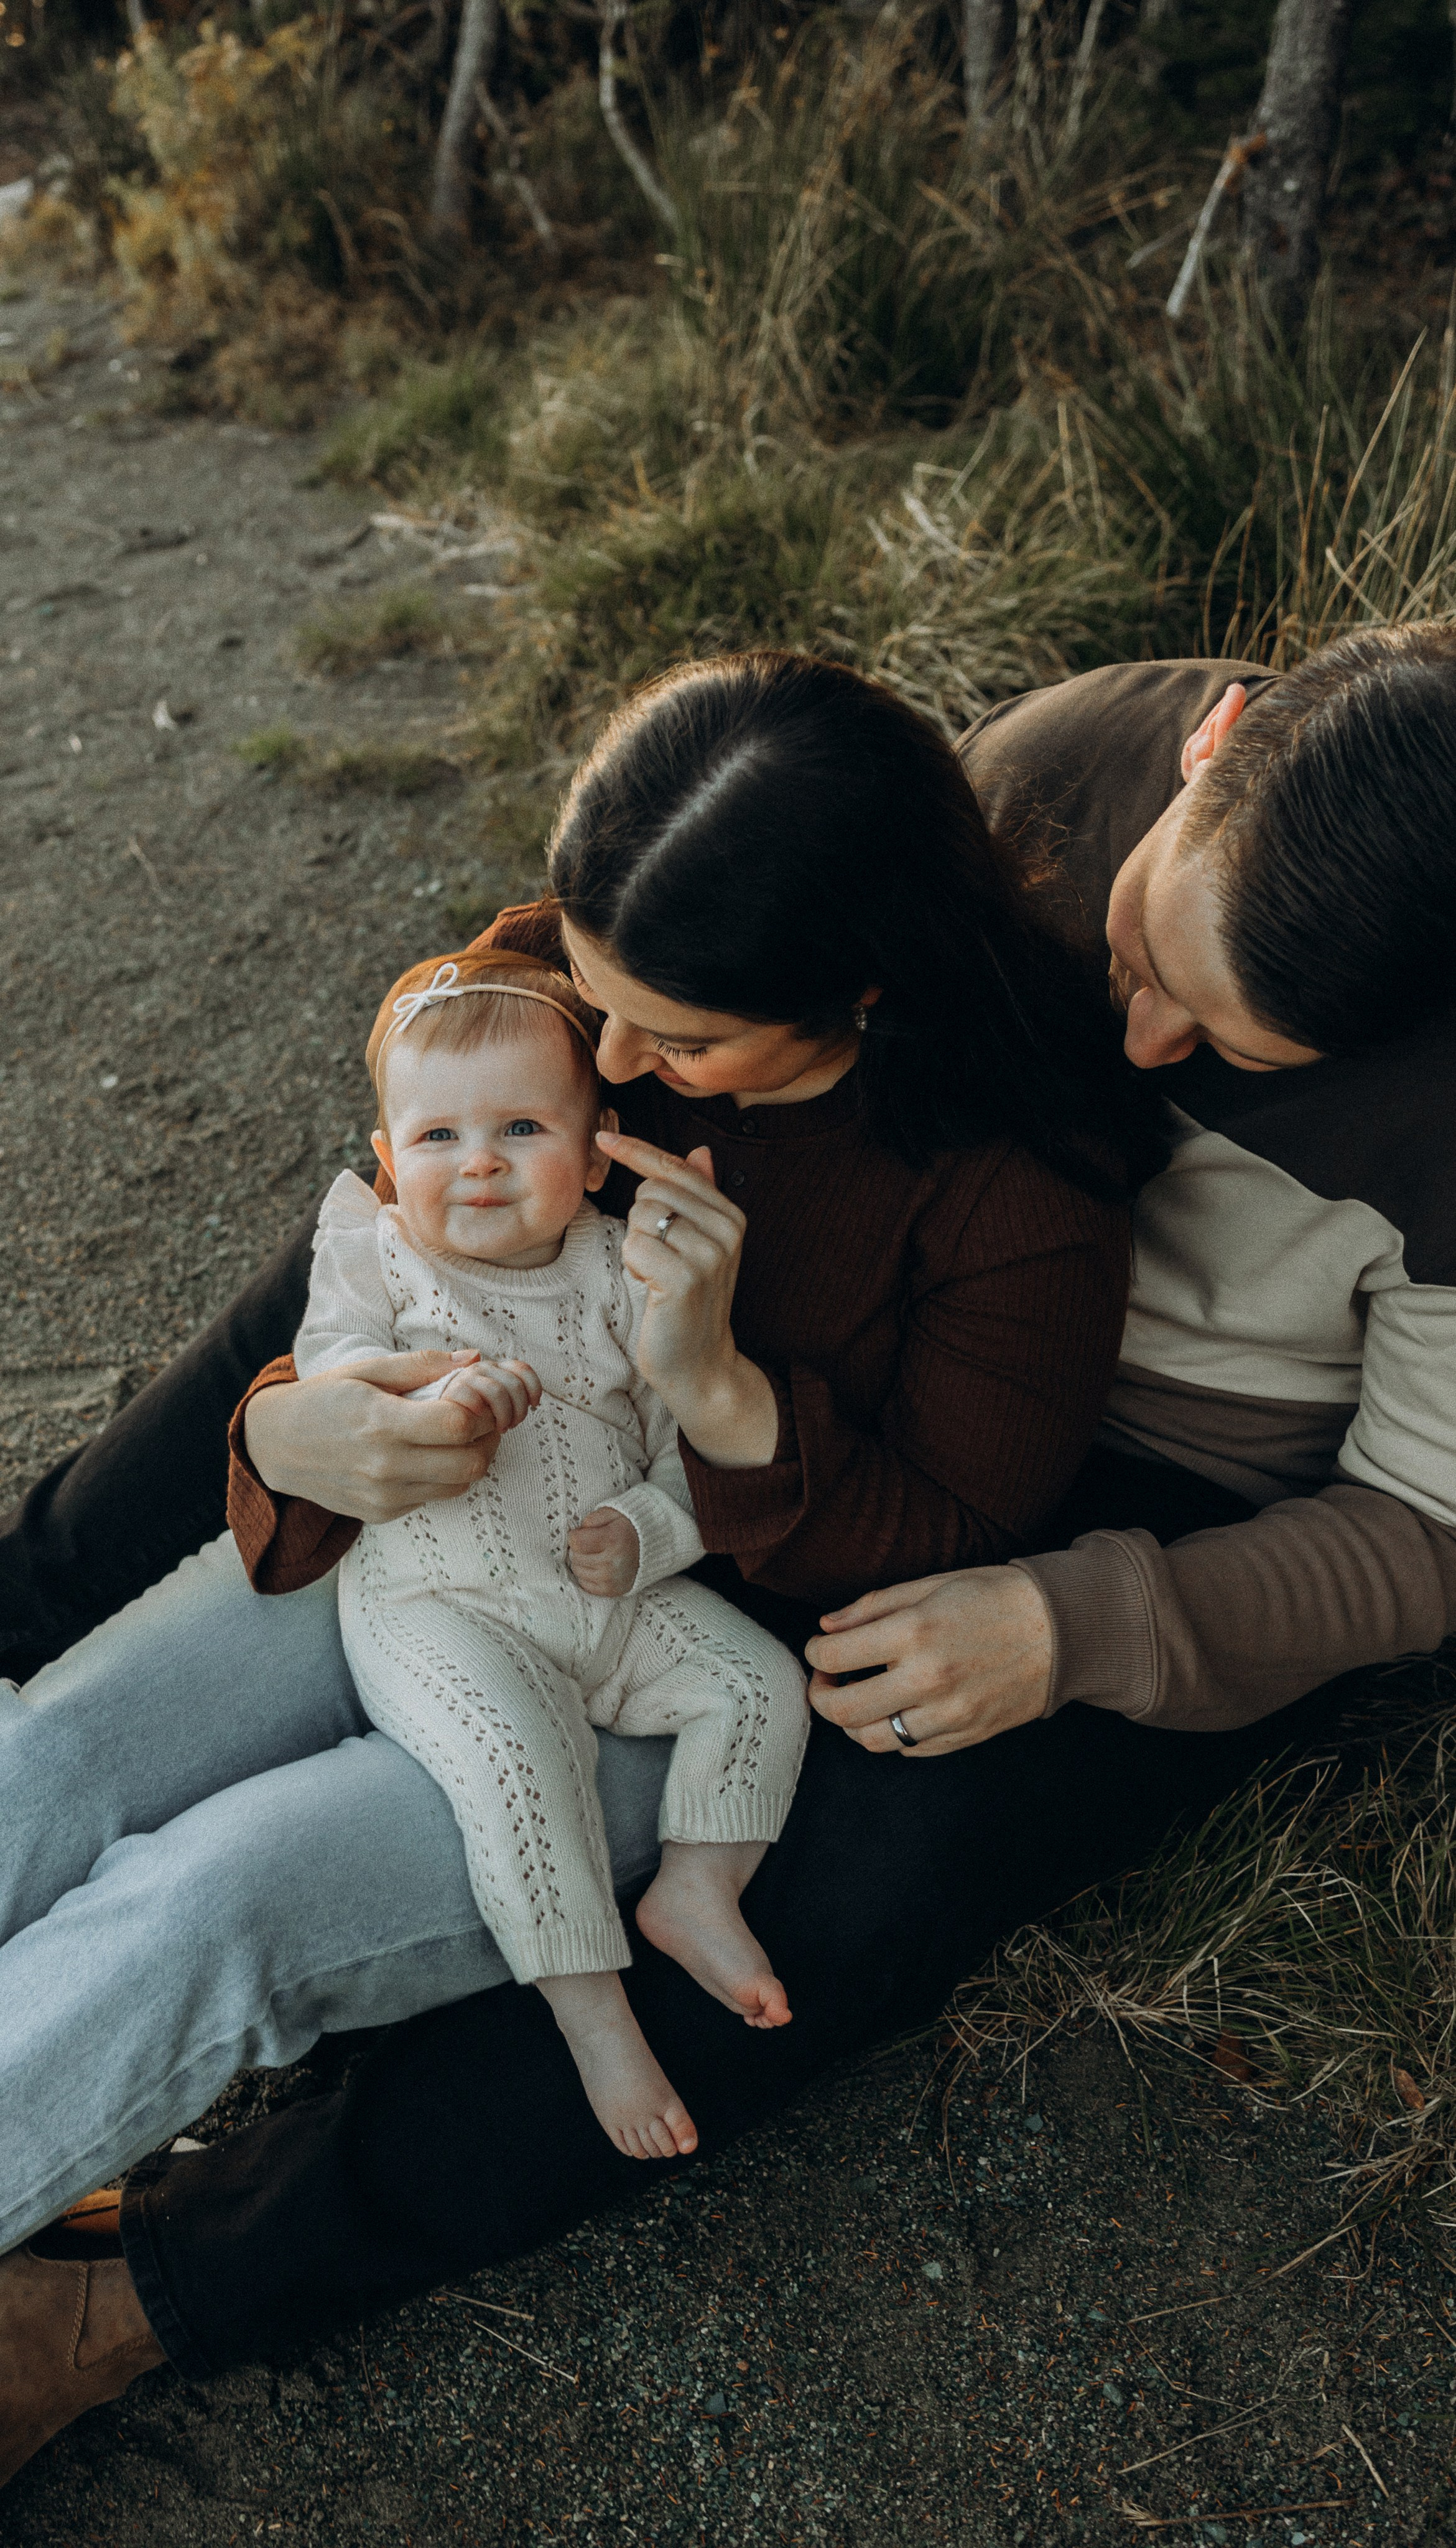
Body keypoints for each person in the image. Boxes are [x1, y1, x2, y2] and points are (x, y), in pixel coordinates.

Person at [0, 651, 1148, 2484]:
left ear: (854, 987)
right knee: (53, 1760)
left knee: (205, 1905)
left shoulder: (1023, 1195)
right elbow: (388, 1240)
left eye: (669, 1043)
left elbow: (947, 1535)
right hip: (421, 1529)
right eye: (591, 1003)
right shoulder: (573, 972)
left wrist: (720, 1393)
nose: (604, 1068)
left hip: (647, 1633)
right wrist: (291, 1427)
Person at [295, 945, 810, 2158]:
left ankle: (700, 1881)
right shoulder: (375, 1256)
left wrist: (647, 1528)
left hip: (609, 1590)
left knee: (761, 1686)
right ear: (386, 1156)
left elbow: (696, 1440)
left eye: (520, 1126)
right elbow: (333, 1379)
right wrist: (422, 1409)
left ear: (592, 1154)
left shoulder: (622, 1272)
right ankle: (591, 2013)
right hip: (444, 1602)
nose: (476, 1160)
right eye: (435, 1138)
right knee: (523, 1770)